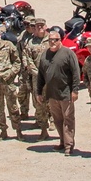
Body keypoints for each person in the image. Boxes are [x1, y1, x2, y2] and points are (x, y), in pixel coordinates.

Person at [36, 27, 81, 156]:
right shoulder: (45, 55)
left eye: (55, 40)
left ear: (60, 40)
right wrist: (38, 92)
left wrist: (75, 90)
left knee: (68, 120)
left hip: (66, 93)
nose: (52, 43)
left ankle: (69, 145)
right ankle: (62, 141)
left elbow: (76, 72)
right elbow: (40, 75)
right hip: (52, 94)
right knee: (57, 120)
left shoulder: (67, 53)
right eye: (50, 40)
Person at [17, 16, 51, 139]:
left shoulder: (52, 40)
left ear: (46, 26)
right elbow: (26, 58)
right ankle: (43, 129)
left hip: (52, 77)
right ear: (34, 28)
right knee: (40, 103)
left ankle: (54, 123)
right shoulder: (30, 42)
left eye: (42, 25)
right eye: (37, 26)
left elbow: (59, 56)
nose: (40, 27)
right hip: (37, 78)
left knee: (53, 102)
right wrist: (36, 72)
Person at [0, 27, 22, 140]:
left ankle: (18, 131)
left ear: (0, 35)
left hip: (8, 82)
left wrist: (11, 73)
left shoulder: (8, 45)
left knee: (13, 107)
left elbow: (17, 62)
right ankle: (3, 131)